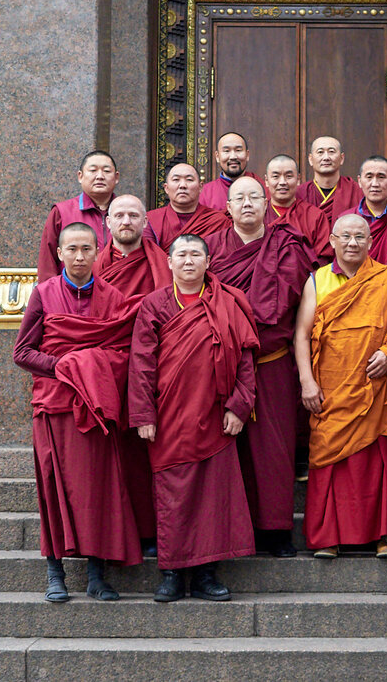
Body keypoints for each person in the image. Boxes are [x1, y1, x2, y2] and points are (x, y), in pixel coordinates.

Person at [13, 222, 141, 603]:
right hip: (55, 406)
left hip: (97, 408)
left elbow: (123, 352)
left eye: (87, 249)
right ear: (60, 253)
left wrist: (91, 366)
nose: (80, 256)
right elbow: (22, 352)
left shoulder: (113, 297)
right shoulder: (44, 293)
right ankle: (55, 572)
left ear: (97, 251)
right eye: (72, 249)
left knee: (99, 490)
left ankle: (97, 575)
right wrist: (64, 367)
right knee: (54, 488)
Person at [128, 234, 260, 602]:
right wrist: (143, 413)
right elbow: (140, 364)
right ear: (169, 262)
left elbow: (246, 358)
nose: (188, 261)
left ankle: (205, 573)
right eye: (181, 255)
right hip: (169, 415)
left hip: (216, 414)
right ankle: (172, 572)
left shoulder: (228, 301)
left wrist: (239, 404)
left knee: (213, 496)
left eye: (195, 254)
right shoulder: (154, 304)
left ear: (208, 261)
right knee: (173, 495)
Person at [204, 176, 316, 558]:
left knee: (275, 449)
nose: (247, 203)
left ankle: (276, 532)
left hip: (271, 362)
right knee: (226, 449)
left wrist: (240, 319)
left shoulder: (287, 244)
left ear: (267, 204)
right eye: (240, 198)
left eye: (254, 196)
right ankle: (231, 529)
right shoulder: (213, 247)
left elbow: (285, 297)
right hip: (223, 362)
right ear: (228, 207)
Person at [294, 214, 387, 559]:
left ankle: (385, 535)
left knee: (380, 461)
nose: (352, 243)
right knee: (329, 461)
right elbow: (301, 335)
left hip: (376, 388)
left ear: (370, 242)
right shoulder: (317, 281)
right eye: (345, 236)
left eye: (359, 236)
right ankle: (327, 537)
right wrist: (306, 381)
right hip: (330, 388)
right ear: (331, 241)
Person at [91, 194, 173, 551]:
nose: (126, 221)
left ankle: (147, 531)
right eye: (119, 215)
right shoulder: (92, 266)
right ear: (107, 223)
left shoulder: (161, 264)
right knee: (112, 455)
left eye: (134, 215)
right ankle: (110, 533)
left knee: (144, 453)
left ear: (145, 223)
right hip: (104, 369)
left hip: (151, 369)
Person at [36, 150, 118, 282]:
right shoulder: (61, 212)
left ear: (116, 177)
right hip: (74, 292)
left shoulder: (127, 213)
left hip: (119, 295)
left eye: (107, 171)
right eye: (93, 170)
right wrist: (50, 295)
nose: (100, 176)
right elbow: (48, 261)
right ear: (80, 176)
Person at [342, 156, 387, 263]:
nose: (375, 184)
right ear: (360, 181)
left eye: (381, 177)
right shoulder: (345, 219)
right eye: (369, 177)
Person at [143, 163, 233, 247]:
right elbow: (149, 257)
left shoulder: (218, 221)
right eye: (176, 180)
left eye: (189, 180)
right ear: (166, 188)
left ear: (200, 187)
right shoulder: (151, 220)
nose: (182, 185)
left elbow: (224, 258)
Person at [264, 154, 333, 261]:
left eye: (289, 176)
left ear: (298, 179)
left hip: (306, 277)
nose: (282, 182)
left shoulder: (314, 216)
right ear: (267, 181)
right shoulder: (258, 214)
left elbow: (324, 259)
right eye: (276, 176)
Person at [299, 135, 361, 223]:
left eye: (331, 152)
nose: (326, 157)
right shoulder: (299, 194)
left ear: (342, 158)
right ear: (310, 159)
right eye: (320, 152)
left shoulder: (356, 191)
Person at [199, 131, 263, 210]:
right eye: (226, 151)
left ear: (247, 155)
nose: (233, 156)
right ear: (217, 157)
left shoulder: (261, 187)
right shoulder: (206, 192)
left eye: (238, 150)